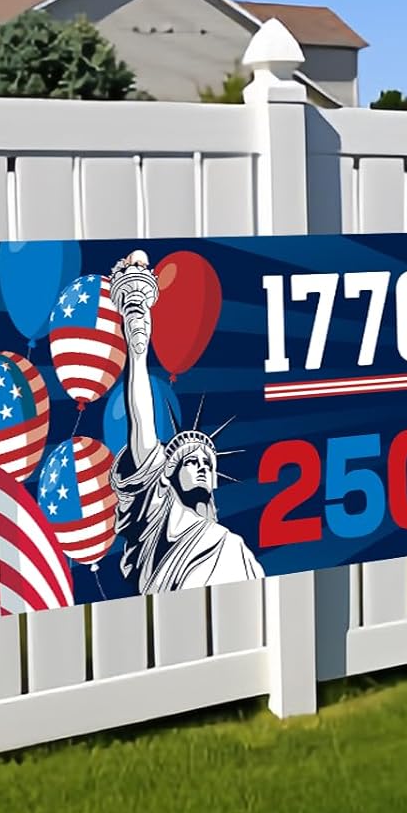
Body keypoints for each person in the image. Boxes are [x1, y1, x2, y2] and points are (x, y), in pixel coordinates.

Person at [108, 249, 264, 592]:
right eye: (190, 461)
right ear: (167, 474)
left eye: (206, 461)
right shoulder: (157, 513)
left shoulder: (231, 546)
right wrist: (138, 351)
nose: (202, 466)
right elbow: (143, 422)